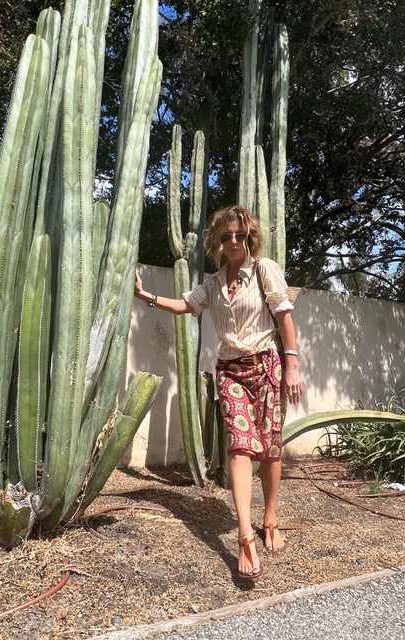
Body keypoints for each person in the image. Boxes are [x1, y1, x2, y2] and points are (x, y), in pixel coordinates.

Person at [134, 204, 303, 580]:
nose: (233, 241)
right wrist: (145, 296)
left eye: (240, 234)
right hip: (230, 371)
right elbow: (184, 305)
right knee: (240, 446)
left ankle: (270, 518)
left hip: (266, 365)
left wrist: (291, 365)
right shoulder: (212, 283)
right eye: (227, 235)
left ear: (250, 237)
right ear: (218, 240)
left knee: (270, 449)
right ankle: (246, 536)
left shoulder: (264, 269)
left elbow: (284, 317)